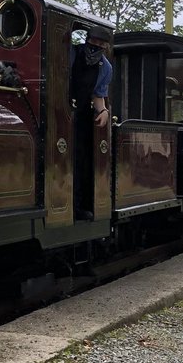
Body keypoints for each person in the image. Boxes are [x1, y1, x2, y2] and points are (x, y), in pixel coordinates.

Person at [69, 24, 113, 218]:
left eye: (101, 44)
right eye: (94, 41)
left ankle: (77, 205)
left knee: (81, 160)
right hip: (63, 108)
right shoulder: (71, 54)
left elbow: (98, 94)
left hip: (82, 114)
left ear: (105, 46)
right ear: (87, 40)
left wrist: (103, 111)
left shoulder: (106, 68)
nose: (96, 46)